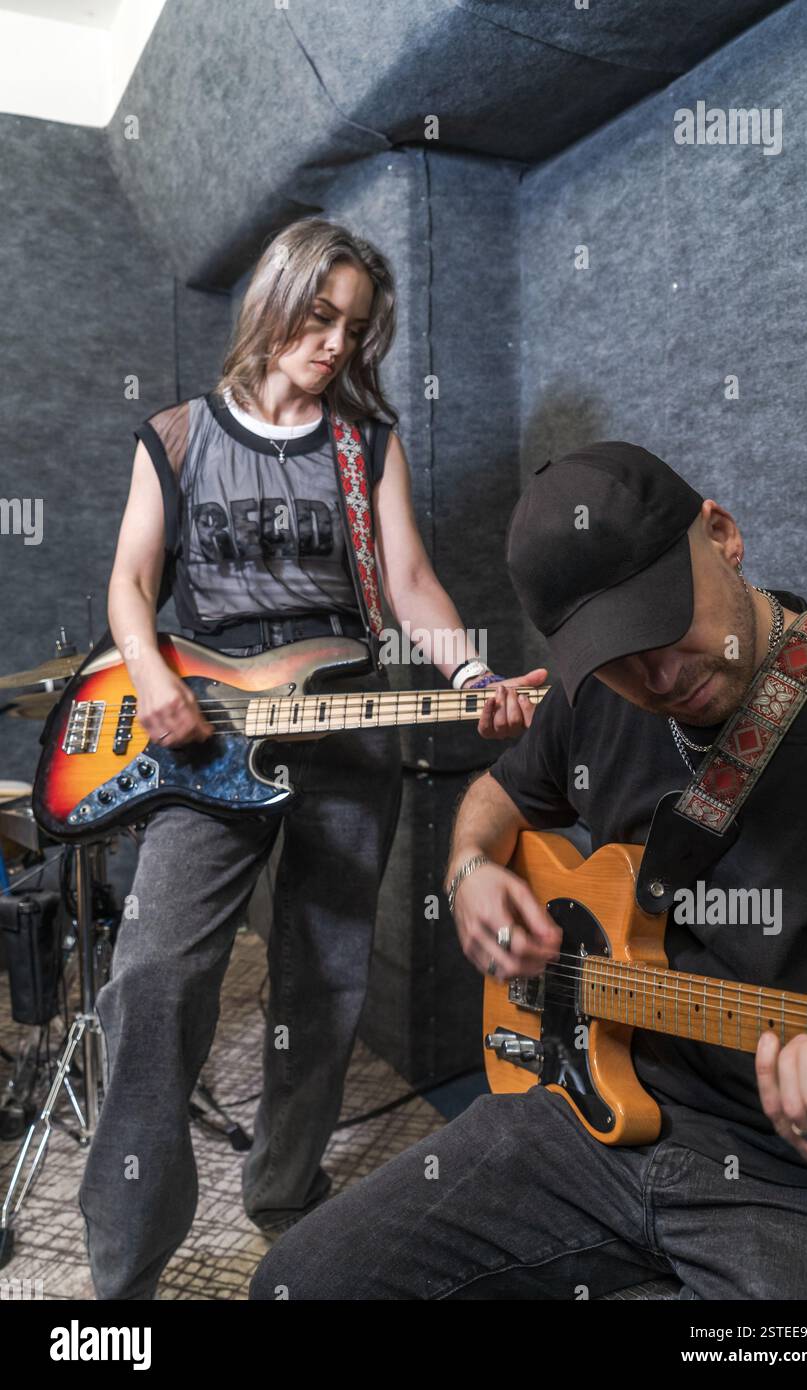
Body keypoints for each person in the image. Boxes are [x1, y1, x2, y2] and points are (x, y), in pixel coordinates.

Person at [250, 441, 807, 1301]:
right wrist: (468, 870)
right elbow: (498, 798)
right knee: (299, 1284)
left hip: (797, 1175)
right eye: (616, 654)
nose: (658, 676)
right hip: (588, 1109)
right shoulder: (598, 695)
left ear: (722, 534)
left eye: (663, 622)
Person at [78, 217, 546, 1300]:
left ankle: (282, 1189)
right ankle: (124, 1264)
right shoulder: (179, 435)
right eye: (319, 315)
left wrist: (472, 681)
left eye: (354, 327)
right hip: (208, 736)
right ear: (274, 299)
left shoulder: (363, 444)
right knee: (152, 977)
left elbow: (415, 583)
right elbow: (129, 583)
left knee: (326, 974)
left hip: (346, 727)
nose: (334, 343)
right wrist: (149, 674)